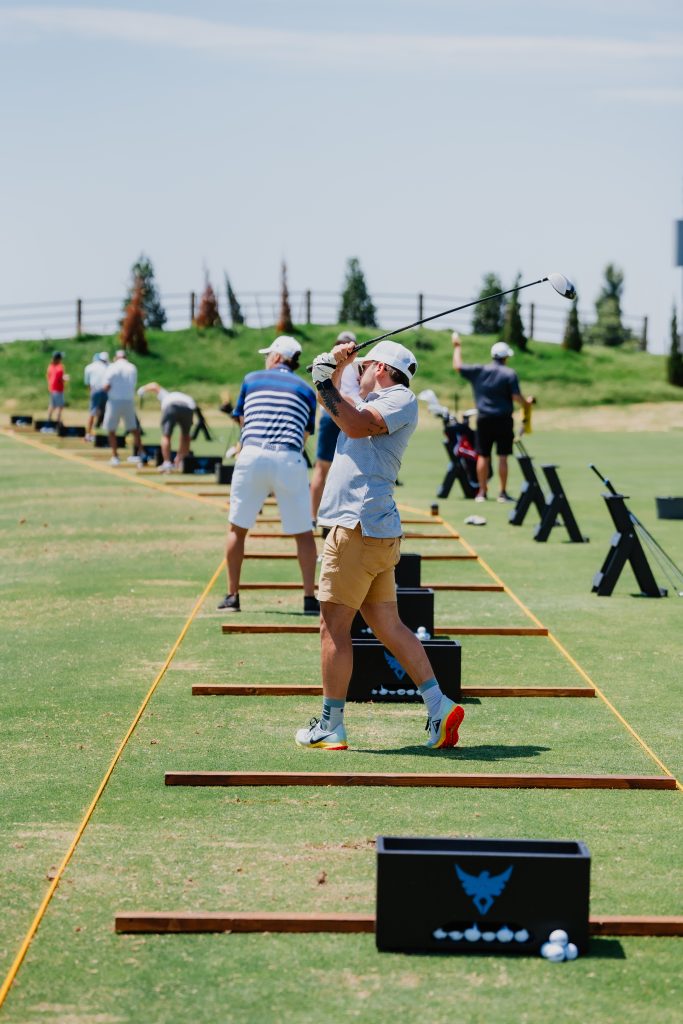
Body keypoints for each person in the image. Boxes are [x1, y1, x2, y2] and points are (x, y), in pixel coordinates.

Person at [295, 338, 465, 752]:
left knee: (333, 628)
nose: (360, 373)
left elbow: (351, 420)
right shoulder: (379, 399)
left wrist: (326, 380)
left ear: (383, 370)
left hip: (357, 528)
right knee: (387, 625)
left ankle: (331, 724)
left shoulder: (399, 398)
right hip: (372, 529)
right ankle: (438, 705)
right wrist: (333, 368)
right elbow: (344, 403)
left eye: (365, 367)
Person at [217, 335, 320, 616]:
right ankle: (310, 598)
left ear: (275, 357)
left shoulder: (251, 379)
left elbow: (243, 421)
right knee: (303, 533)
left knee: (237, 528)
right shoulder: (307, 390)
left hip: (252, 455)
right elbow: (305, 434)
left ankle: (232, 596)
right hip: (289, 457)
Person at [452, 334, 533, 502]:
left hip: (484, 419)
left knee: (483, 456)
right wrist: (527, 403)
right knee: (503, 456)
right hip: (503, 420)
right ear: (506, 357)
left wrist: (457, 347)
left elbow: (458, 366)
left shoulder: (480, 371)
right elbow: (517, 397)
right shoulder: (510, 374)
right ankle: (502, 493)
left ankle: (482, 492)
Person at [309, 330, 362, 523]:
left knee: (337, 469)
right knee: (323, 469)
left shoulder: (351, 362)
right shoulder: (344, 361)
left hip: (342, 413)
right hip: (339, 413)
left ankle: (318, 518)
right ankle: (313, 517)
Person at [137, 381, 196, 472]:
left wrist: (143, 389)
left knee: (166, 435)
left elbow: (154, 386)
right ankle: (181, 461)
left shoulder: (166, 395)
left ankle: (167, 463)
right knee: (186, 435)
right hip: (189, 407)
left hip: (171, 406)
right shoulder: (183, 397)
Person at [102, 349, 142, 466]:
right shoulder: (132, 367)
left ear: (116, 357)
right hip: (128, 400)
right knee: (134, 429)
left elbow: (106, 385)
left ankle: (115, 456)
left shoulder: (112, 367)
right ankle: (140, 453)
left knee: (111, 429)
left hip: (114, 401)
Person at [84, 351, 110, 441]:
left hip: (95, 391)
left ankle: (88, 434)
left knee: (92, 413)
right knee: (106, 413)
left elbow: (87, 383)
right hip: (105, 391)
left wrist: (91, 392)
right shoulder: (108, 366)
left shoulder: (89, 367)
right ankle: (105, 435)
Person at [43, 352, 67, 431]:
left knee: (52, 405)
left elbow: (48, 377)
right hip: (58, 389)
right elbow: (60, 378)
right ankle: (58, 422)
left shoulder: (50, 366)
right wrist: (65, 379)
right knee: (60, 406)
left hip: (52, 389)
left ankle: (49, 420)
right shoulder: (60, 367)